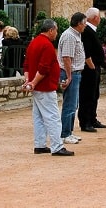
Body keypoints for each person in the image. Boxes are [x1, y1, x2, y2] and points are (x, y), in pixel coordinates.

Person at [23, 18, 73, 156]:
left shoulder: (34, 42)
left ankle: (40, 144)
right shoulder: (47, 45)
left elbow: (26, 64)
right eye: (56, 30)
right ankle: (57, 146)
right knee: (52, 117)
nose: (57, 33)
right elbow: (43, 69)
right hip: (44, 86)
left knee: (38, 116)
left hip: (37, 86)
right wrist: (33, 82)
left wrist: (29, 81)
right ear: (51, 30)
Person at [58, 12, 87, 144]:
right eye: (84, 23)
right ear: (79, 23)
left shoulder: (76, 35)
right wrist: (69, 76)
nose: (85, 26)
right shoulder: (70, 36)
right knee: (69, 104)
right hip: (71, 73)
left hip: (75, 73)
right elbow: (66, 58)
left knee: (73, 104)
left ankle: (69, 131)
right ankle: (65, 133)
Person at [78, 7, 106, 133]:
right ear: (95, 18)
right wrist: (92, 66)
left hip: (94, 67)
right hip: (89, 68)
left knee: (94, 94)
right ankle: (86, 121)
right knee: (87, 94)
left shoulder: (91, 30)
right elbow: (86, 51)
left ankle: (92, 118)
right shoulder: (87, 31)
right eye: (99, 17)